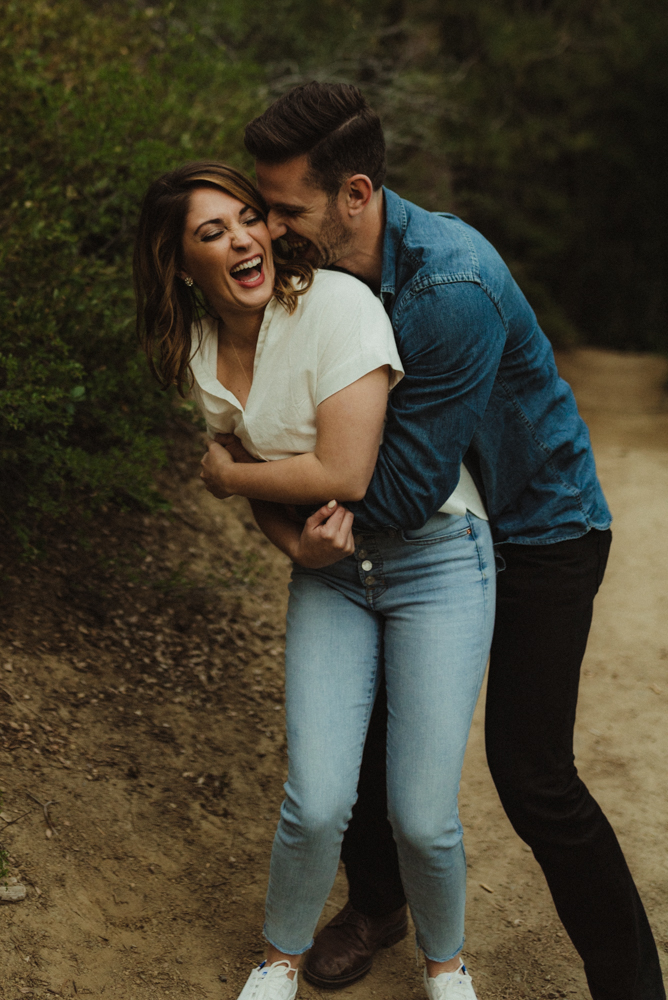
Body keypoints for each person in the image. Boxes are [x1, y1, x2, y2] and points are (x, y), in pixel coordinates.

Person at [236, 82, 667, 1000]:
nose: (268, 231)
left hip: (539, 529)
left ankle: (632, 984)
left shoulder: (448, 285)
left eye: (286, 210)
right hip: (421, 529)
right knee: (360, 736)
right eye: (262, 207)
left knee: (533, 775)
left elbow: (390, 487)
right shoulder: (325, 276)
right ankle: (379, 905)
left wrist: (256, 491)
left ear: (356, 194)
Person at [133, 161, 497, 1000]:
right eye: (211, 233)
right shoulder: (199, 358)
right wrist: (293, 549)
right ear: (180, 265)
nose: (242, 239)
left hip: (437, 559)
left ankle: (448, 967)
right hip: (330, 577)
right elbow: (270, 475)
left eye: (247, 218)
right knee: (317, 800)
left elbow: (345, 468)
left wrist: (225, 483)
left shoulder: (334, 304)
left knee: (422, 816)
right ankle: (279, 957)